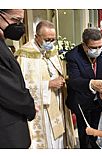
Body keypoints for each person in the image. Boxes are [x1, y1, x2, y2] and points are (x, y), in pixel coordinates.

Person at [15, 20, 75, 149]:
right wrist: (48, 84)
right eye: (48, 39)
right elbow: (22, 86)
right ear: (37, 37)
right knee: (47, 138)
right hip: (41, 108)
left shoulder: (51, 52)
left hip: (56, 102)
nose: (51, 43)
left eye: (53, 40)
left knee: (58, 139)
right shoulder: (25, 55)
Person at [65, 28, 102, 149]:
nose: (98, 50)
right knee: (85, 135)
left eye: (100, 46)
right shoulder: (73, 55)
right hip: (81, 101)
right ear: (84, 45)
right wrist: (91, 84)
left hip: (100, 99)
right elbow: (74, 81)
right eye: (93, 47)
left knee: (99, 132)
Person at [0, 9, 36, 148]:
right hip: (7, 129)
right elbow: (8, 90)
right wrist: (29, 106)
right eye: (15, 20)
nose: (19, 25)